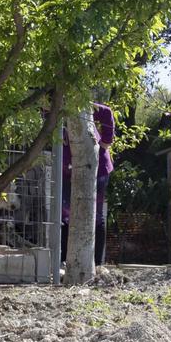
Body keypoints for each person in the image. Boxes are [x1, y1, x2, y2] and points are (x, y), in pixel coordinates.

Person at [61, 101, 116, 266]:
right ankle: (65, 262)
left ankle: (97, 264)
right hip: (67, 170)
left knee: (96, 216)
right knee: (66, 215)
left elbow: (106, 112)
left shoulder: (77, 103)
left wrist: (105, 141)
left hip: (96, 169)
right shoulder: (47, 111)